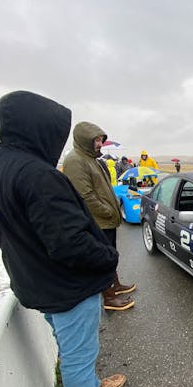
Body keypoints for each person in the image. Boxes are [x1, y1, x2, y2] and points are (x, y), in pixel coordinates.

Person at [0, 90, 134, 387]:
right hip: (65, 286)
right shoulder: (37, 175)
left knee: (72, 347)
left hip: (36, 280)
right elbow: (69, 243)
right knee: (78, 353)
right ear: (37, 129)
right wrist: (108, 257)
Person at [63, 122, 136, 311]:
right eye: (95, 140)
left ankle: (115, 286)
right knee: (103, 258)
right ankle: (110, 298)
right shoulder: (75, 160)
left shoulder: (90, 159)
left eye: (100, 140)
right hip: (98, 221)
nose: (99, 144)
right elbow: (85, 195)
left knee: (110, 255)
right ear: (84, 139)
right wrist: (108, 211)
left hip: (105, 221)